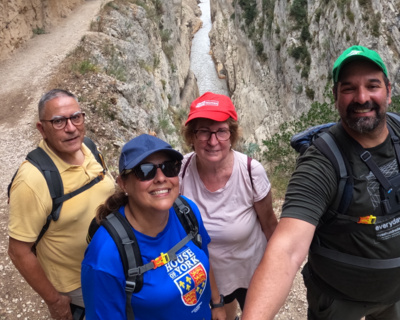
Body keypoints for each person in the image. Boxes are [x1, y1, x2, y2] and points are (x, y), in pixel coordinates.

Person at [242, 45, 400, 320]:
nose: (362, 97)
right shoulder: (322, 162)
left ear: (388, 89)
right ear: (336, 96)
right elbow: (287, 250)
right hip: (339, 300)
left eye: (372, 85)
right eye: (349, 88)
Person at [81, 134, 226, 320]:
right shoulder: (105, 255)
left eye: (169, 168)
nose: (160, 178)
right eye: (145, 171)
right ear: (123, 183)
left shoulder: (187, 212)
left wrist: (216, 304)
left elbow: (204, 257)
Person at [8, 89, 116, 320]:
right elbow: (18, 251)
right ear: (41, 129)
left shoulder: (89, 149)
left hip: (112, 264)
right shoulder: (32, 180)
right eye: (58, 121)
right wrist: (55, 301)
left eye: (76, 117)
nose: (71, 128)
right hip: (78, 283)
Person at [180, 92, 278, 320]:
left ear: (231, 135)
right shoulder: (180, 172)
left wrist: (277, 272)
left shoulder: (251, 172)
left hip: (251, 271)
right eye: (203, 131)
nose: (213, 141)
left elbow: (269, 224)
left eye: (221, 131)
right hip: (207, 277)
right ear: (191, 136)